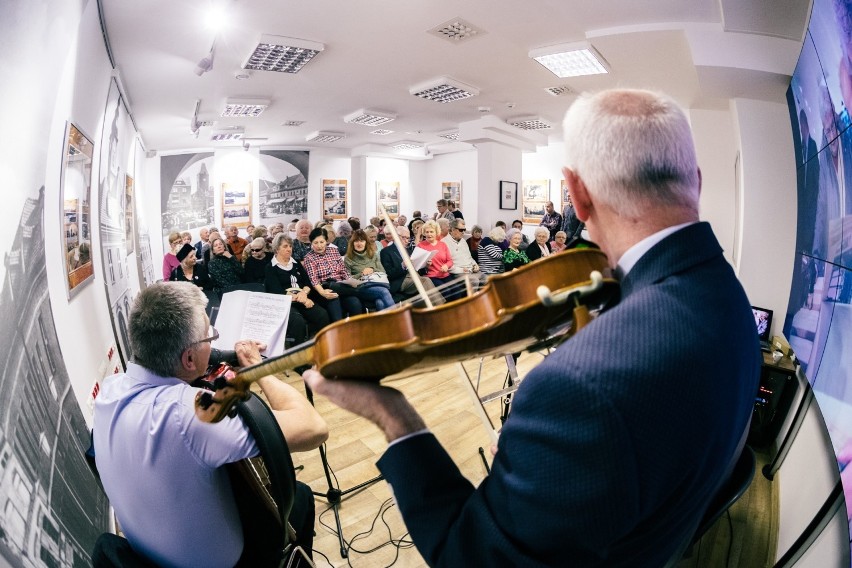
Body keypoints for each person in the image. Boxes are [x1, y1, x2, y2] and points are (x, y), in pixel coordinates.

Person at [302, 88, 761, 566]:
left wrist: (392, 415)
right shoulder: (730, 298)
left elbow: (473, 556)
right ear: (697, 182)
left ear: (577, 194)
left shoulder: (575, 386)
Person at [93, 282, 327, 567]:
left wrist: (223, 355)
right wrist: (256, 365)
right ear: (189, 358)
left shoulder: (110, 389)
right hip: (228, 563)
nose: (213, 342)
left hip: (151, 554)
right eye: (210, 336)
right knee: (300, 497)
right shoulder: (192, 416)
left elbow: (188, 374)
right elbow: (313, 427)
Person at [265, 233, 330, 344]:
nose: (289, 249)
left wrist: (304, 293)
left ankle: (321, 346)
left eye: (290, 246)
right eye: (285, 246)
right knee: (297, 322)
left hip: (303, 299)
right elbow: (277, 291)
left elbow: (307, 283)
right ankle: (299, 355)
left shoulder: (296, 263)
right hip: (285, 303)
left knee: (322, 315)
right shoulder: (270, 268)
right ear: (277, 248)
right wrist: (302, 299)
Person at [302, 227, 363, 321]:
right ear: (311, 243)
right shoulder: (309, 258)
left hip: (341, 286)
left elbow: (343, 271)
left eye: (322, 242)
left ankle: (355, 331)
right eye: (315, 242)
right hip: (323, 289)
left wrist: (350, 281)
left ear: (326, 241)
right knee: (334, 298)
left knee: (355, 303)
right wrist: (323, 292)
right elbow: (314, 280)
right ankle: (338, 332)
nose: (319, 246)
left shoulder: (334, 251)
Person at [379, 226, 446, 307]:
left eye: (408, 238)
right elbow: (388, 274)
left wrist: (425, 266)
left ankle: (431, 310)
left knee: (424, 281)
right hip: (400, 280)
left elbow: (418, 269)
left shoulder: (409, 251)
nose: (407, 241)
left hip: (414, 276)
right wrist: (402, 266)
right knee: (425, 280)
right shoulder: (386, 251)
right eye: (404, 238)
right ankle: (440, 307)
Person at [343, 229, 396, 310]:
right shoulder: (348, 258)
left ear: (366, 242)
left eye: (362, 241)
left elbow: (383, 271)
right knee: (383, 292)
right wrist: (361, 273)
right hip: (361, 288)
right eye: (356, 241)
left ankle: (384, 322)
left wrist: (372, 269)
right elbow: (347, 280)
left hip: (378, 284)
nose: (359, 244)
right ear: (352, 243)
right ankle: (400, 319)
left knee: (380, 303)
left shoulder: (372, 254)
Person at [443, 218, 483, 292]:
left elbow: (469, 257)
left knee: (486, 279)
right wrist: (462, 270)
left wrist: (475, 265)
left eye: (464, 230)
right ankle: (471, 303)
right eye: (461, 230)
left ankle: (481, 301)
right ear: (452, 229)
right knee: (474, 281)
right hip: (457, 272)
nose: (463, 232)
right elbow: (446, 264)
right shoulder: (444, 243)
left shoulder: (463, 241)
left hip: (470, 269)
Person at [416, 220, 454, 296]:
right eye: (427, 232)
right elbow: (417, 266)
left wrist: (446, 266)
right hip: (431, 277)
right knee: (446, 292)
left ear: (436, 232)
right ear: (424, 233)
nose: (429, 234)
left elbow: (450, 261)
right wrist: (426, 265)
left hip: (445, 275)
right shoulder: (420, 246)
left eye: (431, 232)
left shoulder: (443, 244)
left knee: (457, 290)